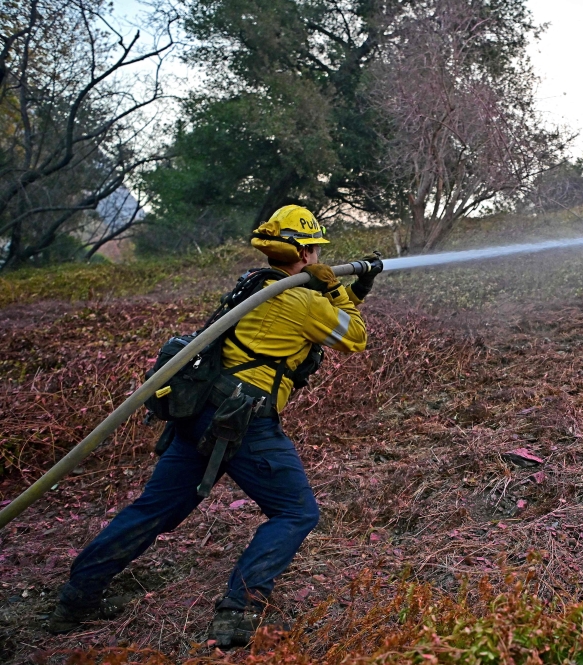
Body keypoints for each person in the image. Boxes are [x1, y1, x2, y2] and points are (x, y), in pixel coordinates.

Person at [48, 205, 381, 646]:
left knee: (155, 509)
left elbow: (324, 320)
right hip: (245, 422)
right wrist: (339, 289)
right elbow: (353, 338)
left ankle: (75, 598)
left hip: (204, 411)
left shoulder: (257, 283)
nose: (320, 255)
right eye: (316, 248)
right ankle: (238, 610)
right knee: (296, 511)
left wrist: (355, 289)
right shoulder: (303, 299)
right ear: (305, 251)